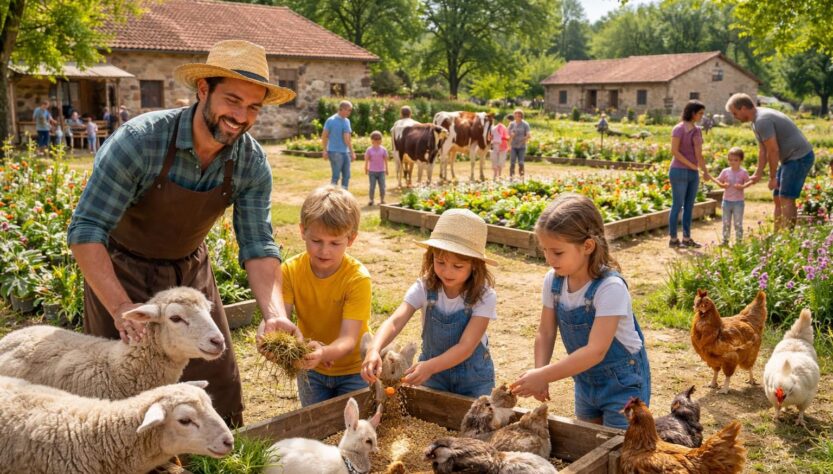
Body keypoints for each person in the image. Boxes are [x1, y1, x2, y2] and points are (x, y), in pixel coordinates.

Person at [66, 39, 297, 427]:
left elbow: (258, 244)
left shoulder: (250, 162)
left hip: (190, 276)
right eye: (233, 100)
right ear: (203, 89)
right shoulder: (140, 142)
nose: (241, 117)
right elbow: (86, 230)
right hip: (121, 271)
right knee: (120, 395)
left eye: (253, 107)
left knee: (216, 387)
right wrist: (121, 308)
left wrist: (273, 315)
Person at [510, 193, 651, 430]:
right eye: (545, 250)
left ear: (587, 246)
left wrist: (544, 375)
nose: (549, 259)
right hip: (585, 381)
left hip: (623, 384)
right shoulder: (553, 281)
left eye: (557, 252)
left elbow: (596, 351)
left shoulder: (610, 288)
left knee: (619, 446)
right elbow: (546, 332)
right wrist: (539, 370)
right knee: (588, 440)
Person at [361, 208, 498, 397]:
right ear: (430, 257)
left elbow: (466, 347)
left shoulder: (484, 296)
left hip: (473, 378)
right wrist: (374, 349)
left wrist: (430, 367)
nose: (447, 272)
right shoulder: (425, 287)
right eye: (440, 262)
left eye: (457, 266)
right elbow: (395, 321)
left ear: (474, 265)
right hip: (433, 375)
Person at [269, 185, 371, 406]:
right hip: (310, 368)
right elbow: (282, 321)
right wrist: (289, 347)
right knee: (314, 421)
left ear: (351, 239)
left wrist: (324, 353)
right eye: (316, 241)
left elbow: (349, 339)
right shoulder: (290, 271)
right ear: (302, 231)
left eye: (335, 243)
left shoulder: (357, 278)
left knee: (353, 424)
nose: (324, 251)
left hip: (354, 370)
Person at [725, 93, 815, 229]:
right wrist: (758, 173)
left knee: (786, 198)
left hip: (799, 157)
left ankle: (788, 238)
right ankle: (777, 235)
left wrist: (772, 177)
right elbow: (763, 150)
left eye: (734, 113)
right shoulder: (755, 121)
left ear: (743, 108)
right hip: (789, 159)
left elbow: (773, 150)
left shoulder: (762, 120)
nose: (734, 116)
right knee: (778, 198)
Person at [669, 100, 711, 248]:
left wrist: (705, 171)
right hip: (678, 171)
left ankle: (686, 238)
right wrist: (692, 165)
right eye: (700, 113)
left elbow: (699, 154)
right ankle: (674, 239)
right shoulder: (678, 129)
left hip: (693, 174)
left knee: (689, 206)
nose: (702, 116)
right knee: (677, 205)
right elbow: (674, 151)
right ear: (692, 113)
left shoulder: (698, 130)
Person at [711, 147, 752, 246]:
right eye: (730, 160)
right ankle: (725, 241)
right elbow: (718, 180)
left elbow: (749, 182)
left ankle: (739, 241)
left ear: (741, 160)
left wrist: (742, 186)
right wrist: (722, 185)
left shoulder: (743, 172)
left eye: (735, 160)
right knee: (726, 222)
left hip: (738, 202)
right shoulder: (725, 171)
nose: (732, 162)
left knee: (738, 223)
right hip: (726, 201)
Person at [322, 100, 356, 189]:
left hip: (341, 152)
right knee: (339, 176)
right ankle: (334, 195)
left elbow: (324, 136)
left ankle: (342, 195)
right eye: (348, 110)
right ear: (341, 109)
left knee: (343, 176)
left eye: (350, 110)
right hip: (336, 152)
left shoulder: (343, 121)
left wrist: (325, 150)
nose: (349, 112)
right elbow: (346, 139)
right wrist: (352, 152)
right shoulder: (335, 120)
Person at [364, 130, 388, 206]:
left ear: (381, 140)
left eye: (379, 139)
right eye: (375, 139)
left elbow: (386, 160)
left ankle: (382, 200)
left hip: (381, 171)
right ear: (372, 140)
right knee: (372, 186)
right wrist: (366, 168)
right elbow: (366, 160)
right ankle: (371, 200)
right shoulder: (369, 150)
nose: (377, 140)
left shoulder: (383, 150)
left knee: (382, 186)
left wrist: (387, 169)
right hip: (372, 172)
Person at [507, 109, 531, 180]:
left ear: (521, 115)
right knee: (512, 163)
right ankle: (511, 178)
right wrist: (511, 135)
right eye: (516, 114)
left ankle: (521, 178)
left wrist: (526, 137)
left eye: (519, 114)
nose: (517, 116)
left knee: (521, 163)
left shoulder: (525, 124)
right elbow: (507, 133)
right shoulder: (511, 124)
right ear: (514, 115)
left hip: (522, 146)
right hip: (513, 146)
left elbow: (529, 134)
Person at [490, 114, 510, 180]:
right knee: (496, 160)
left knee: (498, 161)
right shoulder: (493, 127)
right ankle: (497, 175)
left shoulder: (501, 127)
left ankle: (497, 175)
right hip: (496, 145)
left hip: (500, 145)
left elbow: (506, 137)